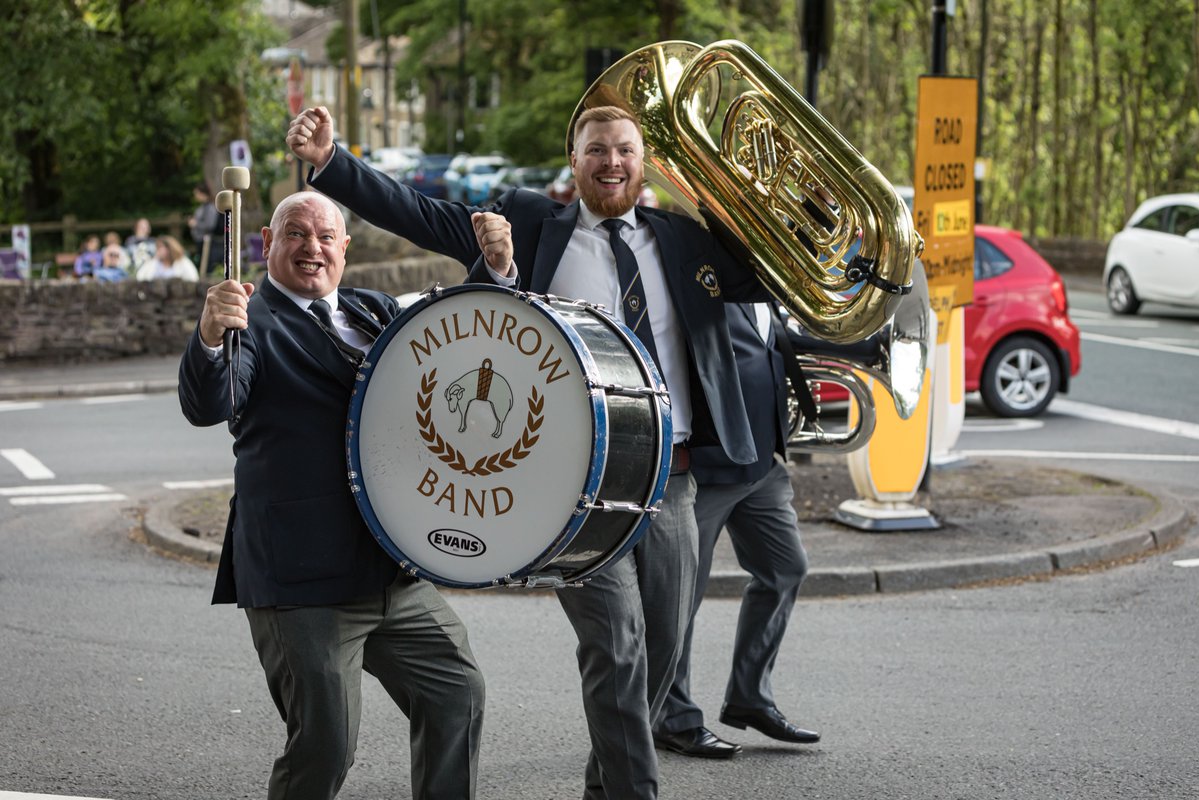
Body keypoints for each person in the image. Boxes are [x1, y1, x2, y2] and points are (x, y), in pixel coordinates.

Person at [288, 103, 772, 800]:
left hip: (672, 479)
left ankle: (607, 787)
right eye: (597, 149)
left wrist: (808, 216)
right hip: (567, 489)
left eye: (625, 150)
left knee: (661, 650)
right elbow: (414, 211)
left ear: (645, 163)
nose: (612, 161)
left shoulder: (684, 238)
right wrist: (333, 162)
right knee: (617, 645)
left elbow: (769, 275)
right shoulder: (525, 224)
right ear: (572, 162)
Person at [177, 191, 485, 800]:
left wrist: (495, 272)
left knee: (457, 693)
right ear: (267, 242)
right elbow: (209, 403)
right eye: (297, 233)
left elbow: (458, 346)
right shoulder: (248, 323)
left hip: (393, 568)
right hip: (301, 577)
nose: (312, 247)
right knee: (326, 745)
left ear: (346, 247)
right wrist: (211, 336)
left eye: (325, 236)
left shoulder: (375, 310)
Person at [653, 302, 819, 759]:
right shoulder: (710, 280)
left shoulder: (771, 290)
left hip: (762, 464)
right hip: (710, 467)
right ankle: (673, 716)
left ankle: (750, 696)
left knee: (786, 569)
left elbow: (772, 349)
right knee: (681, 596)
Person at [187, 183, 224, 275]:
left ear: (202, 193)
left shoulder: (210, 207)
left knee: (207, 265)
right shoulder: (203, 206)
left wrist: (195, 224)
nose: (195, 196)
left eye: (196, 193)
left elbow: (210, 225)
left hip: (208, 242)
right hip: (200, 240)